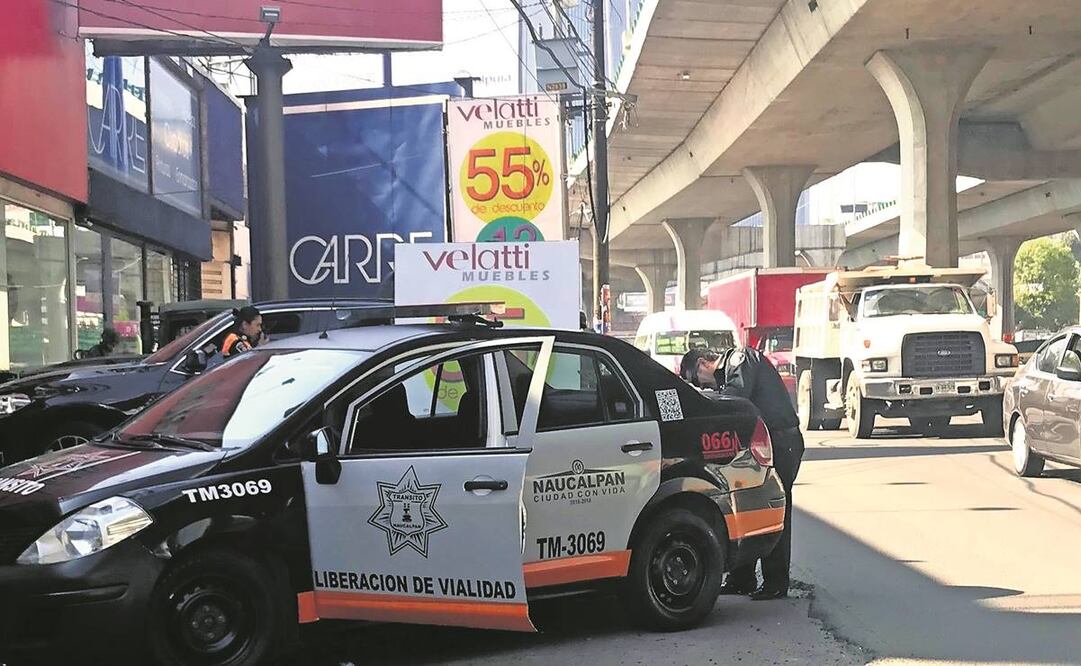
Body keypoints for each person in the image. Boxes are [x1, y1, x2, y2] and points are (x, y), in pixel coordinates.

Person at [680, 346, 805, 601]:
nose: (701, 385)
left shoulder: (741, 358)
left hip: (781, 441)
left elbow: (736, 398)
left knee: (775, 507)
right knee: (744, 505)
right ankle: (742, 578)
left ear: (704, 363)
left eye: (696, 379)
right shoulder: (727, 374)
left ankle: (775, 582)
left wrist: (702, 402)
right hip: (758, 445)